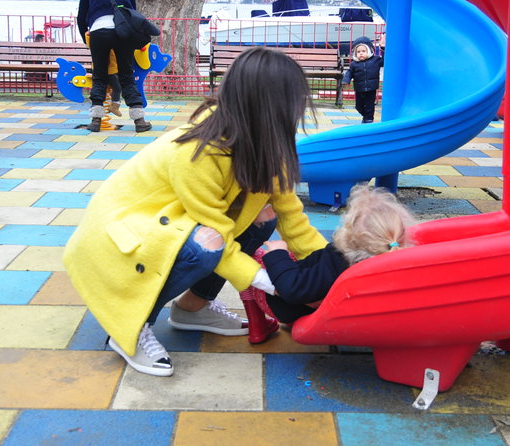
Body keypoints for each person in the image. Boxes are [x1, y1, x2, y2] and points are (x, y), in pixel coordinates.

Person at [63, 47, 329, 376]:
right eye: (293, 100)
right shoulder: (200, 150)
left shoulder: (265, 143)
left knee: (263, 217)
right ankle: (130, 327)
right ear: (267, 105)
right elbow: (218, 233)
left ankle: (193, 308)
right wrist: (278, 285)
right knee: (207, 244)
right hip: (121, 232)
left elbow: (292, 217)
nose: (298, 109)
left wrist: (331, 269)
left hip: (170, 222)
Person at [241, 184, 417, 333]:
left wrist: (277, 254)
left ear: (350, 235)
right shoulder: (398, 262)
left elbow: (293, 288)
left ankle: (258, 325)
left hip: (288, 307)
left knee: (250, 260)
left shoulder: (338, 261)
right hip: (348, 312)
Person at [77, 0, 151, 133]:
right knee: (126, 75)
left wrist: (86, 38)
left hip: (98, 31)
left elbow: (81, 16)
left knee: (99, 76)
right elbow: (132, 11)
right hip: (121, 31)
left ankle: (96, 120)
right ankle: (139, 120)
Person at [342, 36, 384, 123]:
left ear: (369, 51)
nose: (361, 53)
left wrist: (383, 49)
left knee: (369, 105)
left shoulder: (376, 60)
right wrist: (346, 80)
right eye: (358, 52)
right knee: (358, 107)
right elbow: (349, 73)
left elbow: (385, 61)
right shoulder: (354, 64)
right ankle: (366, 116)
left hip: (371, 88)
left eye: (363, 51)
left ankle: (369, 119)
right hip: (359, 88)